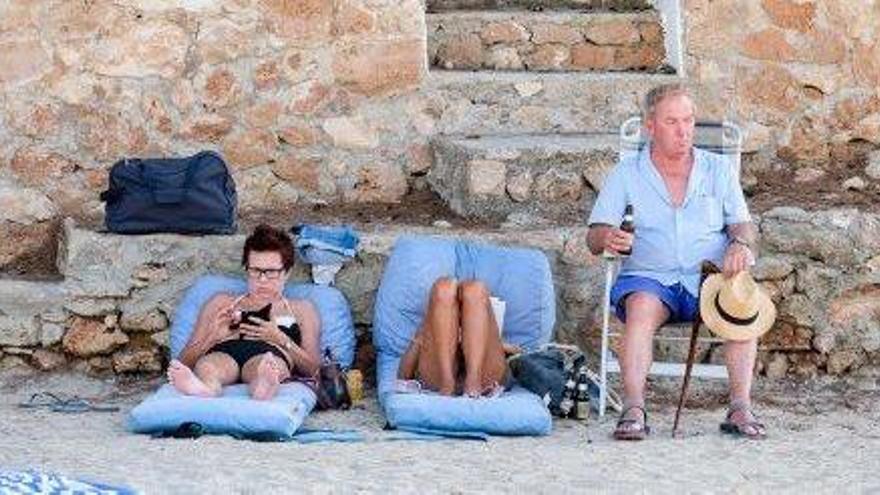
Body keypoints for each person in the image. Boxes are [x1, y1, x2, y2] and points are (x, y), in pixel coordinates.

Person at [587, 83, 766, 440]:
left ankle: (740, 407)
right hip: (650, 278)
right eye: (672, 122)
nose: (684, 131)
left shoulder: (717, 169)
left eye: (689, 120)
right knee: (639, 308)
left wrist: (740, 244)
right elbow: (594, 236)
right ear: (650, 126)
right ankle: (634, 408)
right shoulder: (627, 173)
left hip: (711, 280)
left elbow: (743, 225)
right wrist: (607, 238)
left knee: (744, 306)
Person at [167, 225, 321, 401]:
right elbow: (182, 362)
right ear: (247, 269)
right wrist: (212, 338)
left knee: (267, 367)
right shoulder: (221, 302)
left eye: (271, 272)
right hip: (223, 352)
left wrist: (280, 339)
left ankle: (264, 386)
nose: (262, 280)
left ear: (286, 273)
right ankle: (205, 389)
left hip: (271, 354)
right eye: (255, 271)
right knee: (208, 367)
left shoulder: (301, 309)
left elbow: (315, 370)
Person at [397, 277, 517, 397]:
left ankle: (473, 380)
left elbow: (518, 355)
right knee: (444, 287)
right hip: (439, 375)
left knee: (475, 289)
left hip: (484, 375)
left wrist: (492, 343)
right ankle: (447, 381)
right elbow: (403, 377)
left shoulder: (479, 308)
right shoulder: (435, 321)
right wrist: (425, 330)